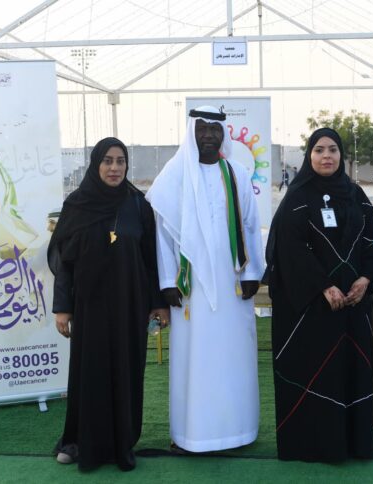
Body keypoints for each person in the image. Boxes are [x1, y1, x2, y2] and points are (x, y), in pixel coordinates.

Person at [147, 106, 264, 453]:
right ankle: (192, 434)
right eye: (202, 129)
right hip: (190, 290)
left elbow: (250, 225)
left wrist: (253, 272)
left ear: (223, 134)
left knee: (233, 357)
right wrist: (168, 280)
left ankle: (238, 431)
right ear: (191, 132)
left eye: (215, 129)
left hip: (233, 286)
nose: (209, 135)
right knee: (194, 360)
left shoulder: (237, 173)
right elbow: (162, 232)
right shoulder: (175, 174)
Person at [48, 137, 168, 471]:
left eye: (120, 161)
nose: (114, 168)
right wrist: (63, 307)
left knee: (126, 372)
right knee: (90, 372)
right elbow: (65, 262)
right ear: (95, 164)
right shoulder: (77, 204)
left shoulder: (137, 205)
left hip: (130, 304)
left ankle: (121, 443)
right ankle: (78, 441)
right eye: (107, 161)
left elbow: (151, 259)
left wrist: (157, 303)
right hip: (90, 305)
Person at [264, 127, 373, 462]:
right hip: (311, 308)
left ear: (341, 154)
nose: (326, 156)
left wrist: (365, 278)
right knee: (315, 373)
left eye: (332, 149)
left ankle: (353, 444)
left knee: (352, 371)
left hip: (353, 306)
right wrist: (323, 286)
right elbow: (289, 250)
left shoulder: (356, 195)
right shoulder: (297, 197)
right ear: (309, 155)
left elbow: (372, 240)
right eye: (319, 150)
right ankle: (313, 445)